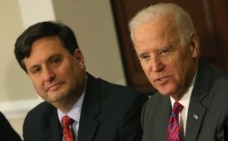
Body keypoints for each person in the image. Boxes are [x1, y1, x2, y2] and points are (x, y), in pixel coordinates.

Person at [128, 3, 228, 141]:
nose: (155, 67)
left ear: (192, 45)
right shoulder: (151, 109)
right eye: (145, 57)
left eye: (164, 51)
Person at [14, 21, 148, 141]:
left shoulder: (126, 107)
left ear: (79, 59)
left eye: (55, 61)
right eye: (36, 70)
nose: (48, 76)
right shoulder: (35, 122)